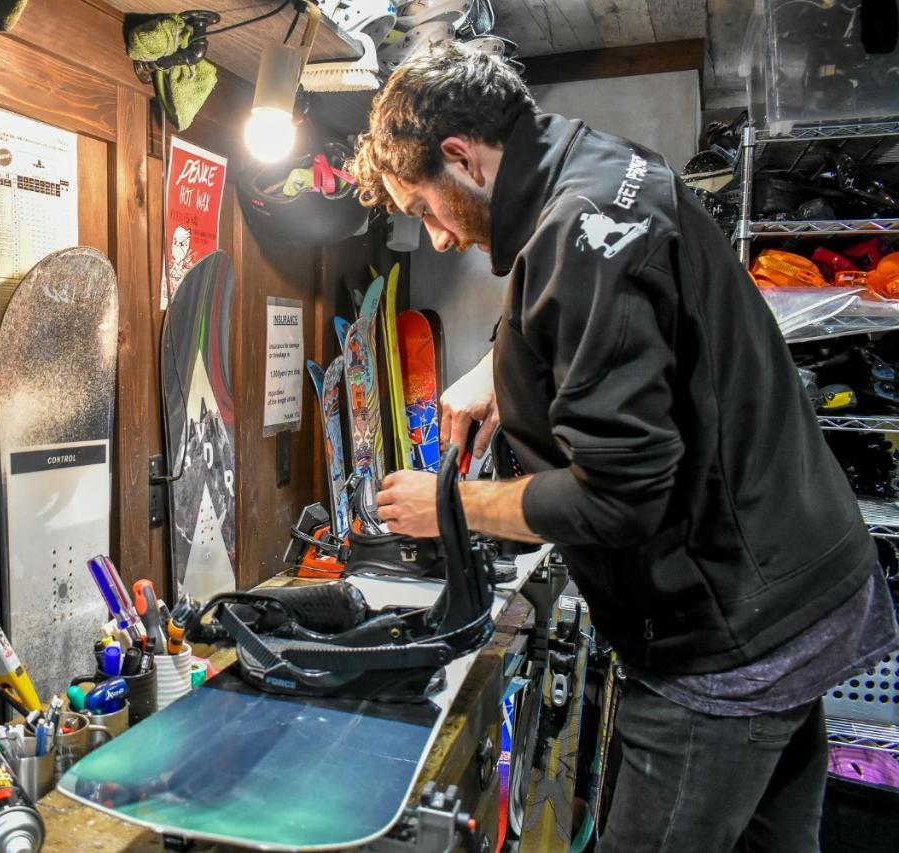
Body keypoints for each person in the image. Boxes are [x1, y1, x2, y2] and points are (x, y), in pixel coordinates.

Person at [350, 43, 899, 852]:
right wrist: (499, 367)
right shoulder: (601, 166)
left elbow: (617, 494)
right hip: (801, 589)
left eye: (426, 207)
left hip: (727, 639)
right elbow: (609, 306)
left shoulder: (576, 235)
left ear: (461, 157)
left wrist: (451, 506)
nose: (433, 237)